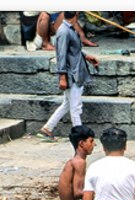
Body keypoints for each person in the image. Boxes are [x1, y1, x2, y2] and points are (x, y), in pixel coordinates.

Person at [38, 12, 100, 140]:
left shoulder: (69, 29)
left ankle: (47, 129)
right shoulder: (64, 31)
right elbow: (61, 55)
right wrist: (62, 77)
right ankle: (80, 137)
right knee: (75, 107)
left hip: (75, 71)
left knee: (67, 104)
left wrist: (86, 56)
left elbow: (73, 50)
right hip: (72, 74)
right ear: (77, 14)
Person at [30, 11, 98, 51]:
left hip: (54, 31)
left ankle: (83, 38)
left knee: (71, 12)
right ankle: (45, 44)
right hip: (41, 34)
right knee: (44, 15)